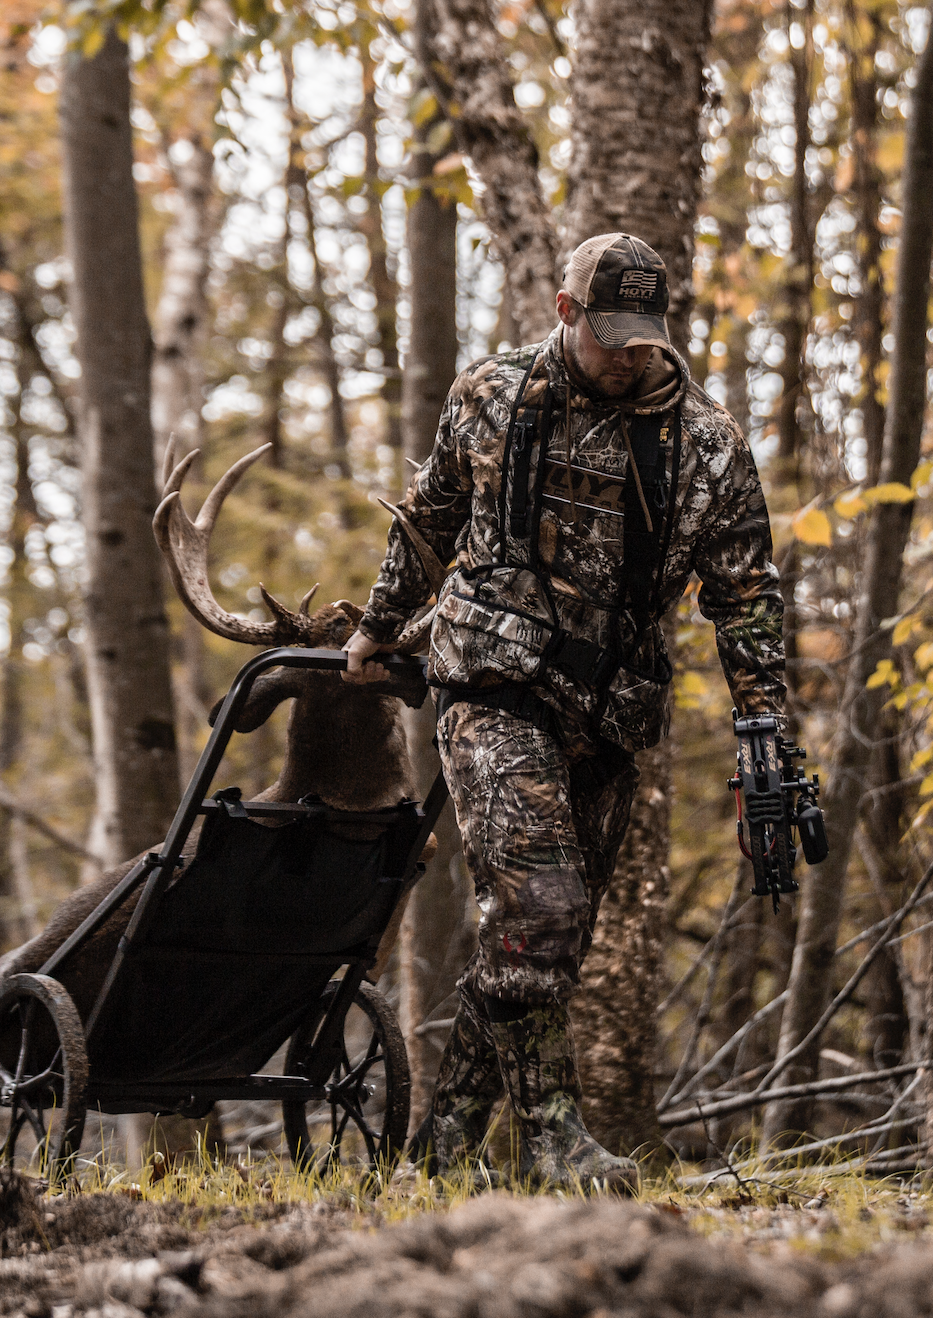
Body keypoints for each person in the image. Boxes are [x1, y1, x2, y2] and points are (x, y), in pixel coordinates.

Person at [345, 232, 786, 1191]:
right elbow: (430, 516)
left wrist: (766, 738)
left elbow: (746, 597)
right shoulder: (488, 395)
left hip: (611, 711)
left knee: (543, 936)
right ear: (564, 310)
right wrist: (379, 628)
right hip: (491, 684)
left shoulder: (709, 445)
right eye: (610, 334)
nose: (629, 356)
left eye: (646, 338)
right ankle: (552, 1141)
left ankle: (442, 1148)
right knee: (543, 905)